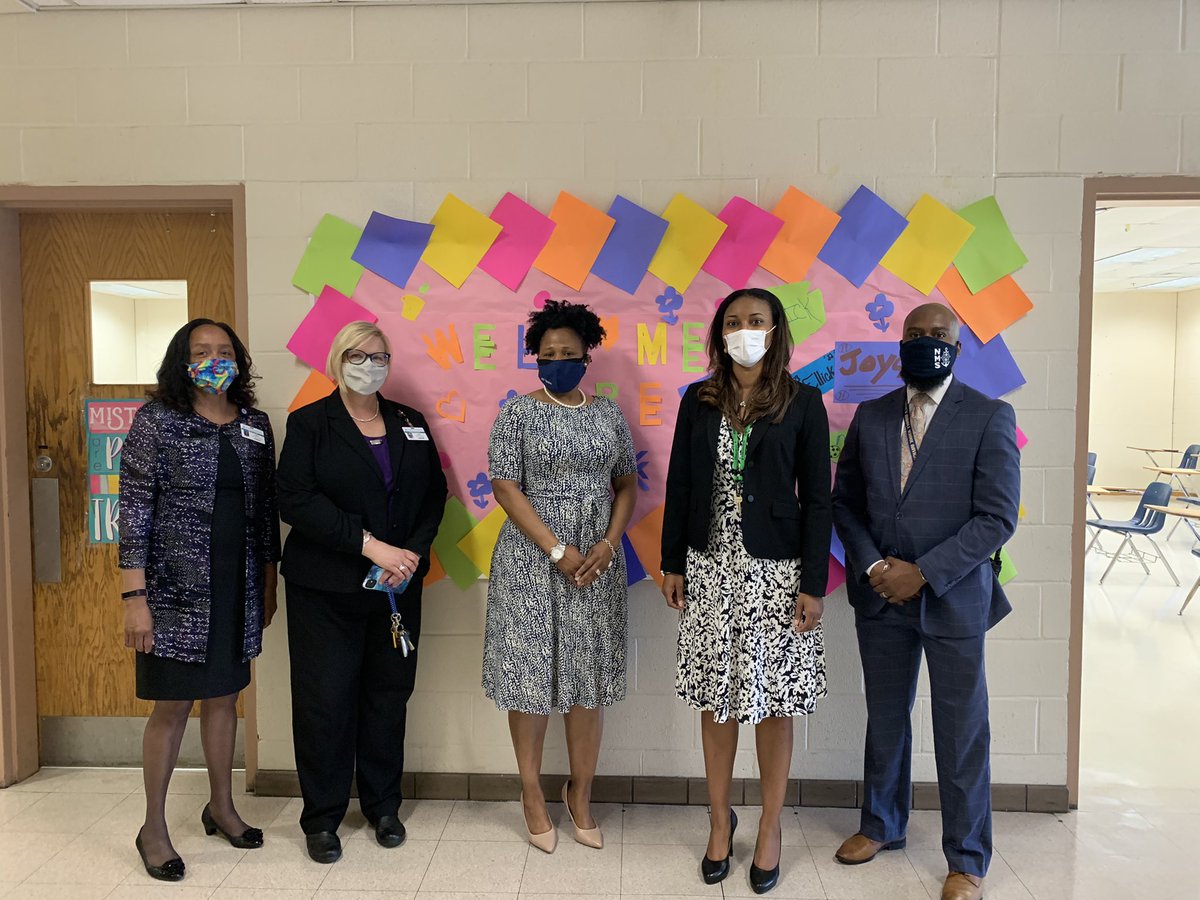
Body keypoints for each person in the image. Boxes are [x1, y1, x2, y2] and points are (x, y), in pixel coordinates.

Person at [830, 303, 1020, 900]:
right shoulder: (873, 414)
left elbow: (997, 518)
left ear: (958, 345)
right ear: (900, 342)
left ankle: (967, 857)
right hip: (882, 596)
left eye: (938, 335)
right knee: (886, 717)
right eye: (915, 334)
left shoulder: (989, 416)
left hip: (954, 599)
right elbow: (846, 503)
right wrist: (876, 565)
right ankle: (882, 824)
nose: (925, 342)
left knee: (961, 729)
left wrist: (925, 572)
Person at [661, 287, 831, 895]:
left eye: (755, 320)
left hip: (775, 573)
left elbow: (817, 498)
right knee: (717, 699)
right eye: (733, 322)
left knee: (773, 703)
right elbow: (680, 481)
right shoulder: (697, 400)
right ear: (719, 334)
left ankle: (770, 829)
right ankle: (717, 823)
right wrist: (671, 560)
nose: (744, 330)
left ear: (776, 330)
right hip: (709, 565)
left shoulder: (804, 401)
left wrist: (814, 582)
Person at [277, 321, 447, 865]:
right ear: (337, 359)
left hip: (396, 590)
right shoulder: (310, 424)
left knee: (387, 697)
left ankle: (382, 805)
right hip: (325, 590)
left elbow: (434, 497)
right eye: (358, 354)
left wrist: (411, 556)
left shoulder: (410, 422)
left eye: (380, 356)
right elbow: (296, 501)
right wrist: (370, 546)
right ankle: (322, 817)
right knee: (325, 702)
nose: (370, 364)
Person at [119, 318, 280, 882]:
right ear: (181, 361)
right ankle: (153, 828)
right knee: (172, 707)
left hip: (236, 590)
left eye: (224, 350)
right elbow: (134, 512)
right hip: (171, 592)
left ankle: (221, 807)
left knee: (225, 697)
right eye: (201, 351)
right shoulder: (157, 422)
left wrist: (268, 579)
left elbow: (264, 514)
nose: (215, 358)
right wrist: (133, 596)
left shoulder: (255, 425)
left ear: (238, 359)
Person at [483, 300, 638, 854]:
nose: (558, 360)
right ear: (534, 358)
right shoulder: (517, 414)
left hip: (596, 565)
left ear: (586, 355)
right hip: (530, 562)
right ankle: (530, 794)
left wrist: (607, 542)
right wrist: (555, 548)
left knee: (586, 681)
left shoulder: (607, 414)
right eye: (548, 354)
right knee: (529, 680)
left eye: (569, 353)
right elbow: (505, 487)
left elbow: (626, 484)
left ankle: (581, 793)